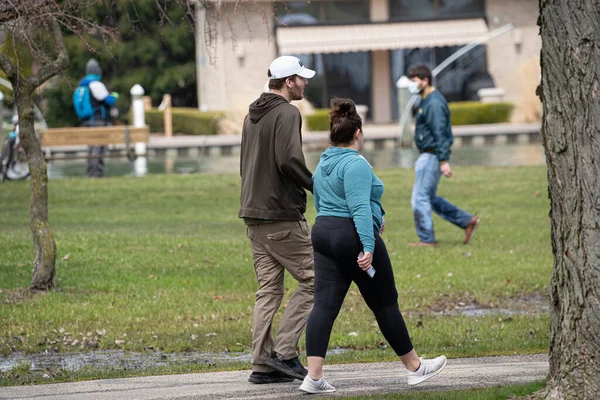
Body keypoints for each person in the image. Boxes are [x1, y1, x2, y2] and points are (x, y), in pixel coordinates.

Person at [299, 98, 447, 394]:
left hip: (323, 233)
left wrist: (376, 217)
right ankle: (416, 368)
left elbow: (333, 198)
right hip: (350, 237)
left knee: (324, 306)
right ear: (358, 134)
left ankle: (313, 378)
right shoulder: (356, 164)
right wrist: (368, 246)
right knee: (385, 302)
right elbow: (359, 210)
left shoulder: (325, 161)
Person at [239, 55, 316, 384]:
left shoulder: (251, 115)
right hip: (281, 215)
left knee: (269, 290)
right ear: (288, 82)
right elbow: (289, 160)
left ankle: (262, 364)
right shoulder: (287, 113)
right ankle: (284, 353)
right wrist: (316, 185)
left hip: (253, 215)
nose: (305, 83)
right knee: (317, 279)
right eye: (301, 78)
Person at [406, 64, 480, 247]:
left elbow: (440, 132)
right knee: (429, 197)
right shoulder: (426, 100)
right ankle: (467, 221)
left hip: (431, 156)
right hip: (428, 155)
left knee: (419, 198)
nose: (412, 85)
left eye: (414, 81)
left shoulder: (434, 103)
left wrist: (444, 160)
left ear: (425, 81)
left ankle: (426, 239)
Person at [73, 58, 118, 178]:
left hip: (86, 121)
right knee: (98, 148)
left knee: (91, 148)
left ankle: (90, 173)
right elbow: (108, 100)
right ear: (97, 71)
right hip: (98, 121)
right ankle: (97, 174)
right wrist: (114, 96)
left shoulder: (82, 86)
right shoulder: (96, 84)